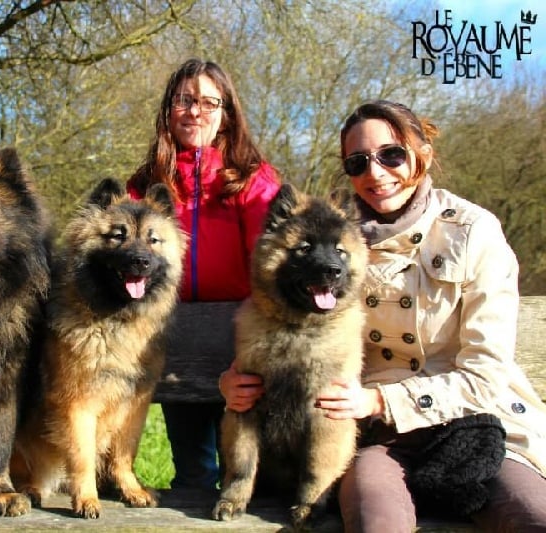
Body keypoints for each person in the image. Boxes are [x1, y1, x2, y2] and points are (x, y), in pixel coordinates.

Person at [219, 99, 546, 531]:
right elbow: (281, 327)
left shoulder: (472, 232)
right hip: (383, 437)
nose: (375, 173)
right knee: (376, 522)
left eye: (391, 154)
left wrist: (379, 400)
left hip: (479, 426)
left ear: (422, 153)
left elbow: (487, 373)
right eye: (358, 162)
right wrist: (234, 380)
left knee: (533, 517)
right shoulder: (337, 238)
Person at [126, 58, 280, 490]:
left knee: (245, 469)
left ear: (226, 114)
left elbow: (269, 265)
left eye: (209, 102)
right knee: (193, 470)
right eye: (184, 100)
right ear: (168, 109)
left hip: (241, 337)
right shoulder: (144, 183)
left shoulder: (253, 179)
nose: (195, 111)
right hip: (173, 337)